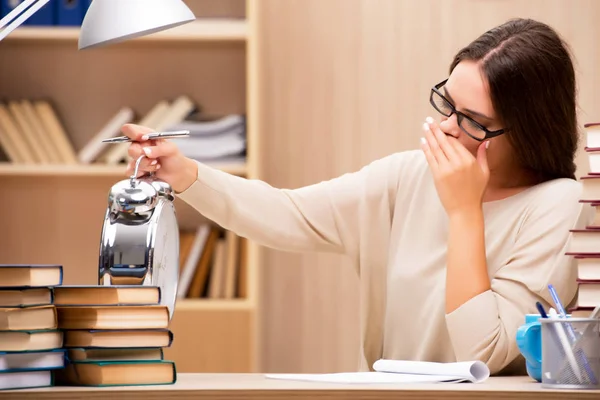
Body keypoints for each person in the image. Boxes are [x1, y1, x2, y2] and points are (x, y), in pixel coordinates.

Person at [120, 18, 591, 375]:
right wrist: (183, 173)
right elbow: (287, 213)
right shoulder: (407, 176)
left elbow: (483, 352)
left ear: (527, 129)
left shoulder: (560, 205)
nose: (447, 127)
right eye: (446, 104)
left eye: (471, 120)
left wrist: (464, 210)